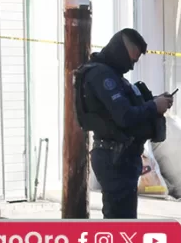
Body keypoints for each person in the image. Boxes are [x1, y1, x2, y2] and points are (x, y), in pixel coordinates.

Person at [74, 28, 172, 219]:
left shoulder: (113, 76)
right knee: (120, 221)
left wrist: (154, 101)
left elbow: (128, 108)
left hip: (121, 157)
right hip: (114, 157)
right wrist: (153, 106)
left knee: (124, 219)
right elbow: (125, 116)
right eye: (132, 60)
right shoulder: (102, 76)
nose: (132, 67)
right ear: (121, 51)